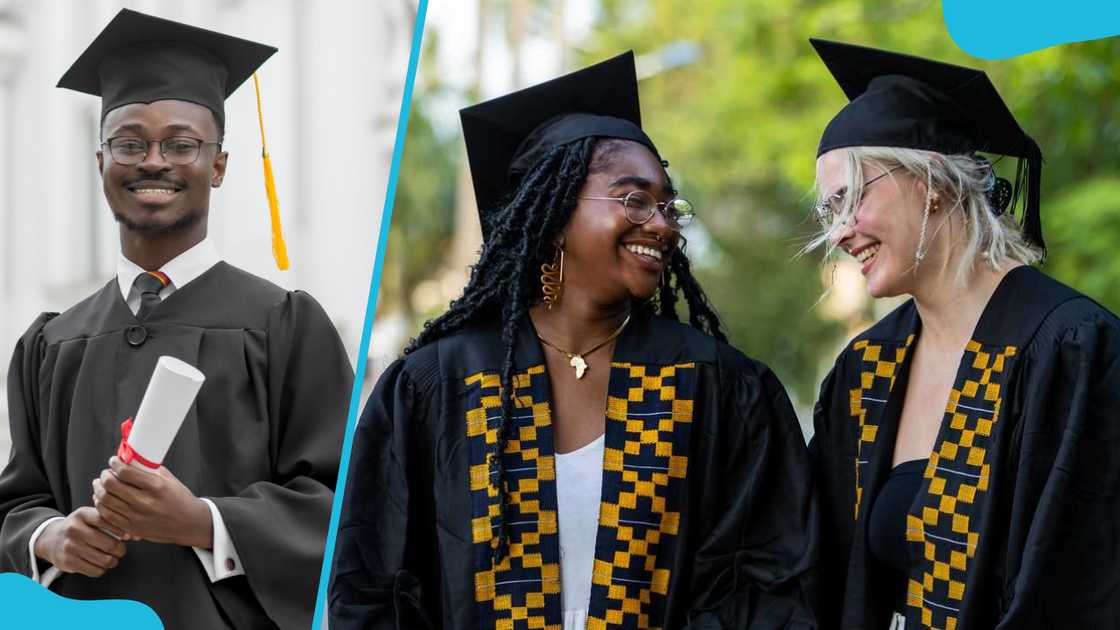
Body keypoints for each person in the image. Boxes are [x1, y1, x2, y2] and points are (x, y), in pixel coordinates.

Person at [329, 52, 817, 630]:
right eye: (634, 199)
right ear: (556, 213)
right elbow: (374, 588)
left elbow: (766, 585)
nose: (661, 223)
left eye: (668, 206)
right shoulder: (437, 387)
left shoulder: (718, 386)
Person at [0, 9, 352, 629]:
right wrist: (48, 537)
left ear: (218, 165)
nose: (153, 161)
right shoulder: (51, 343)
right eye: (130, 143)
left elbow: (346, 503)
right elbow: (17, 502)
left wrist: (203, 522)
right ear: (101, 161)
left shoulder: (285, 325)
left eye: (182, 144)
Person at [807, 39, 1120, 629]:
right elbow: (822, 571)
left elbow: (1084, 587)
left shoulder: (1072, 350)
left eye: (851, 199)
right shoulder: (866, 370)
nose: (840, 232)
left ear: (931, 181)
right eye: (829, 212)